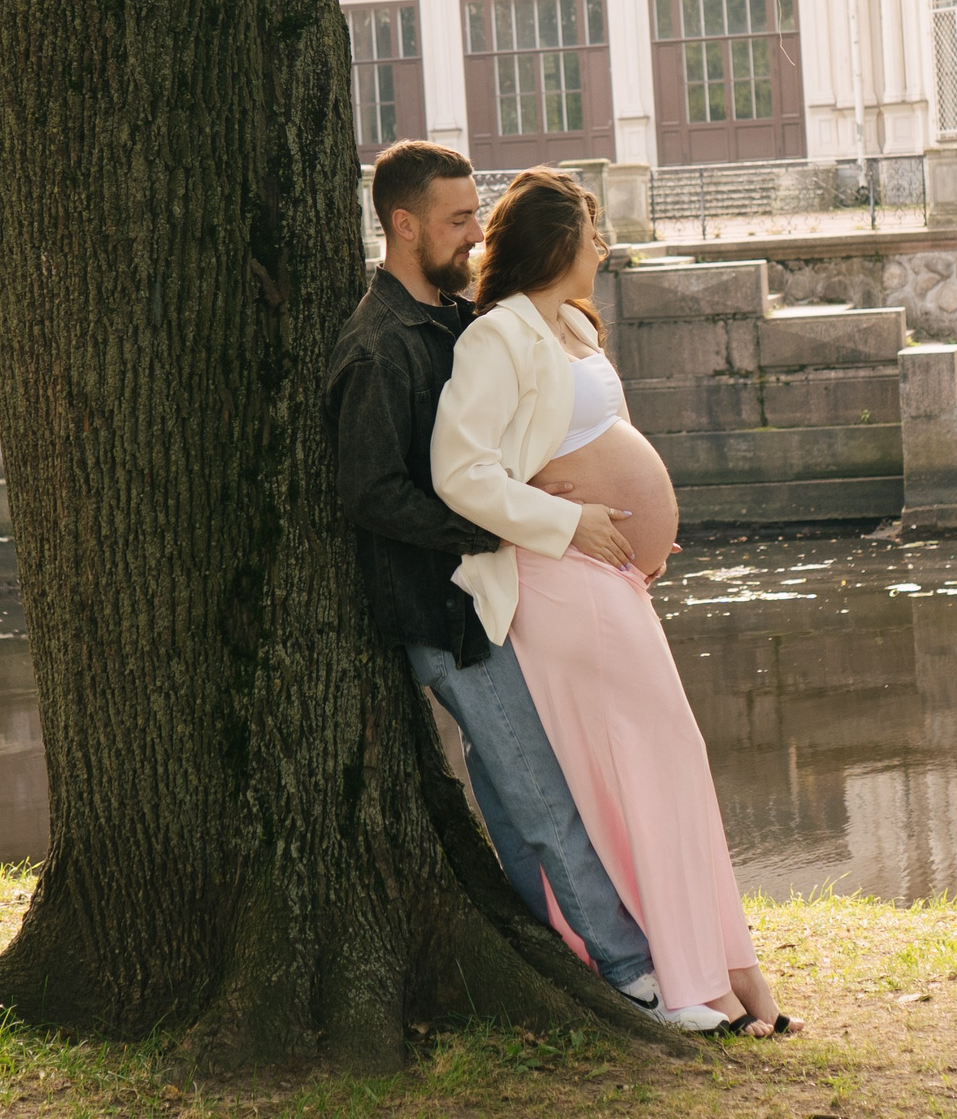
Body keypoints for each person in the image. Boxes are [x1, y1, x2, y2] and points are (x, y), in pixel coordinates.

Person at [322, 142, 696, 1029]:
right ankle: (633, 973)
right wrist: (512, 517)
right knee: (539, 795)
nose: (477, 232)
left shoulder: (454, 316)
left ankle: (555, 941)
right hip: (446, 611)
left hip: (492, 594)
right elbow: (372, 492)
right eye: (458, 219)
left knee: (505, 784)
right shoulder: (378, 347)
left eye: (479, 213)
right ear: (403, 225)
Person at [431, 168, 795, 1037]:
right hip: (557, 581)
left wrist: (641, 533)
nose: (603, 247)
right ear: (559, 243)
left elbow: (597, 437)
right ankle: (679, 978)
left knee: (668, 754)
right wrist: (567, 519)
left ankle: (727, 970)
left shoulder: (570, 326)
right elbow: (459, 472)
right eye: (592, 233)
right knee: (638, 760)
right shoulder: (496, 339)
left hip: (608, 578)